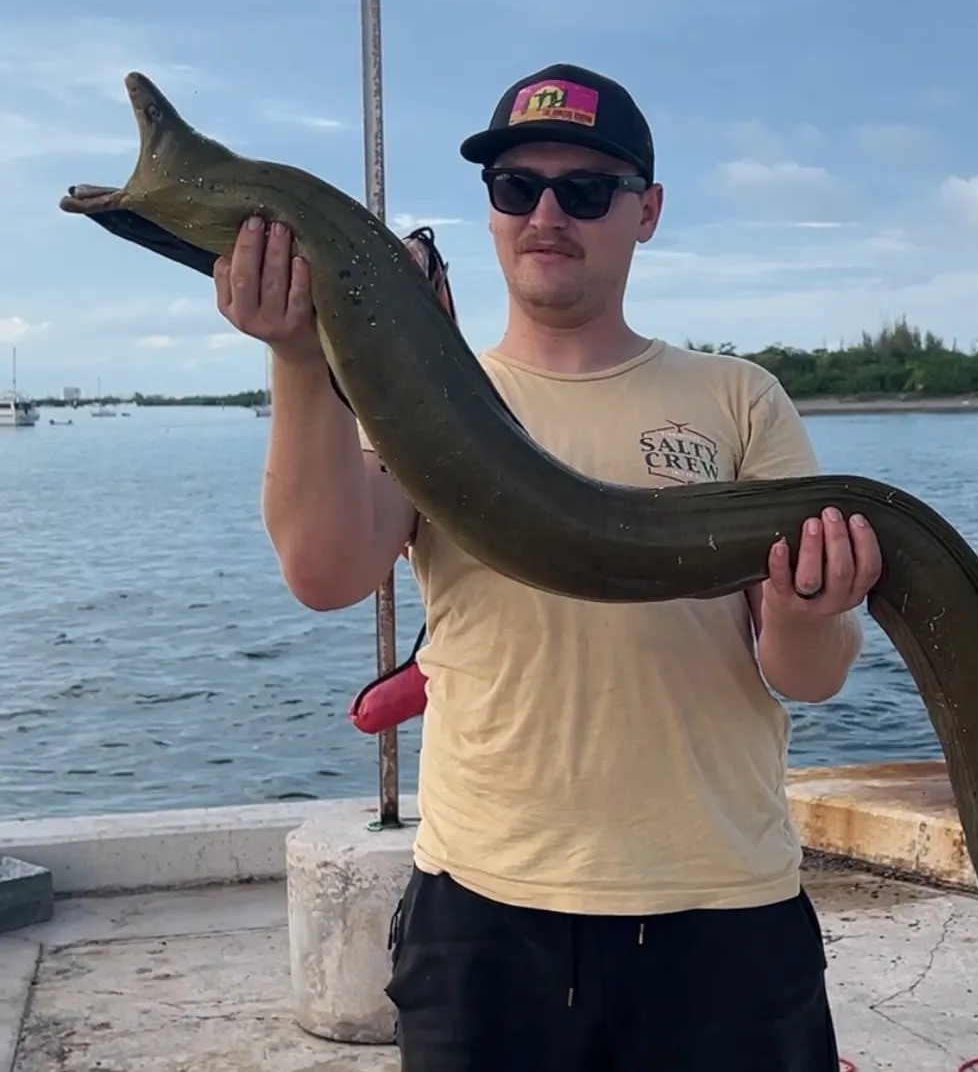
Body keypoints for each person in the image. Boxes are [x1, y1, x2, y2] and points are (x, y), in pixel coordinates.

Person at [213, 61, 883, 1072]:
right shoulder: (434, 400)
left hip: (723, 910)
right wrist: (303, 360)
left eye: (586, 191)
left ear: (646, 211)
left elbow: (812, 673)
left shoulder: (739, 399)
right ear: (489, 211)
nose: (546, 215)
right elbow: (323, 570)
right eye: (515, 187)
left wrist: (804, 610)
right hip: (485, 915)